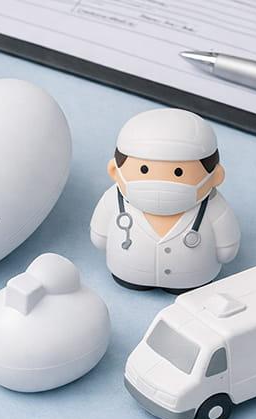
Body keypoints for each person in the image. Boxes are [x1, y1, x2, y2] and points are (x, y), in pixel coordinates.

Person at [90, 109, 240, 294]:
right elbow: (99, 237)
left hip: (192, 278)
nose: (159, 185)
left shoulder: (213, 206)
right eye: (143, 170)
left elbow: (226, 248)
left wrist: (226, 247)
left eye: (179, 173)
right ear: (114, 170)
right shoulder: (114, 199)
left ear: (215, 176)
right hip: (127, 271)